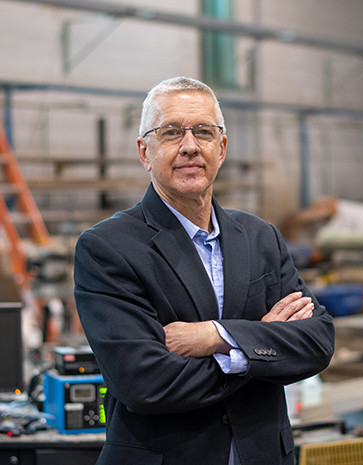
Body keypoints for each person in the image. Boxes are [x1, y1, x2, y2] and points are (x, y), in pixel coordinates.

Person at [73, 76, 335, 465]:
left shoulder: (261, 238)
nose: (190, 146)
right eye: (172, 132)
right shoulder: (107, 248)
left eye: (204, 132)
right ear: (145, 152)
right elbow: (146, 383)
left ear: (222, 147)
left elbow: (317, 342)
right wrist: (257, 349)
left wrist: (217, 337)